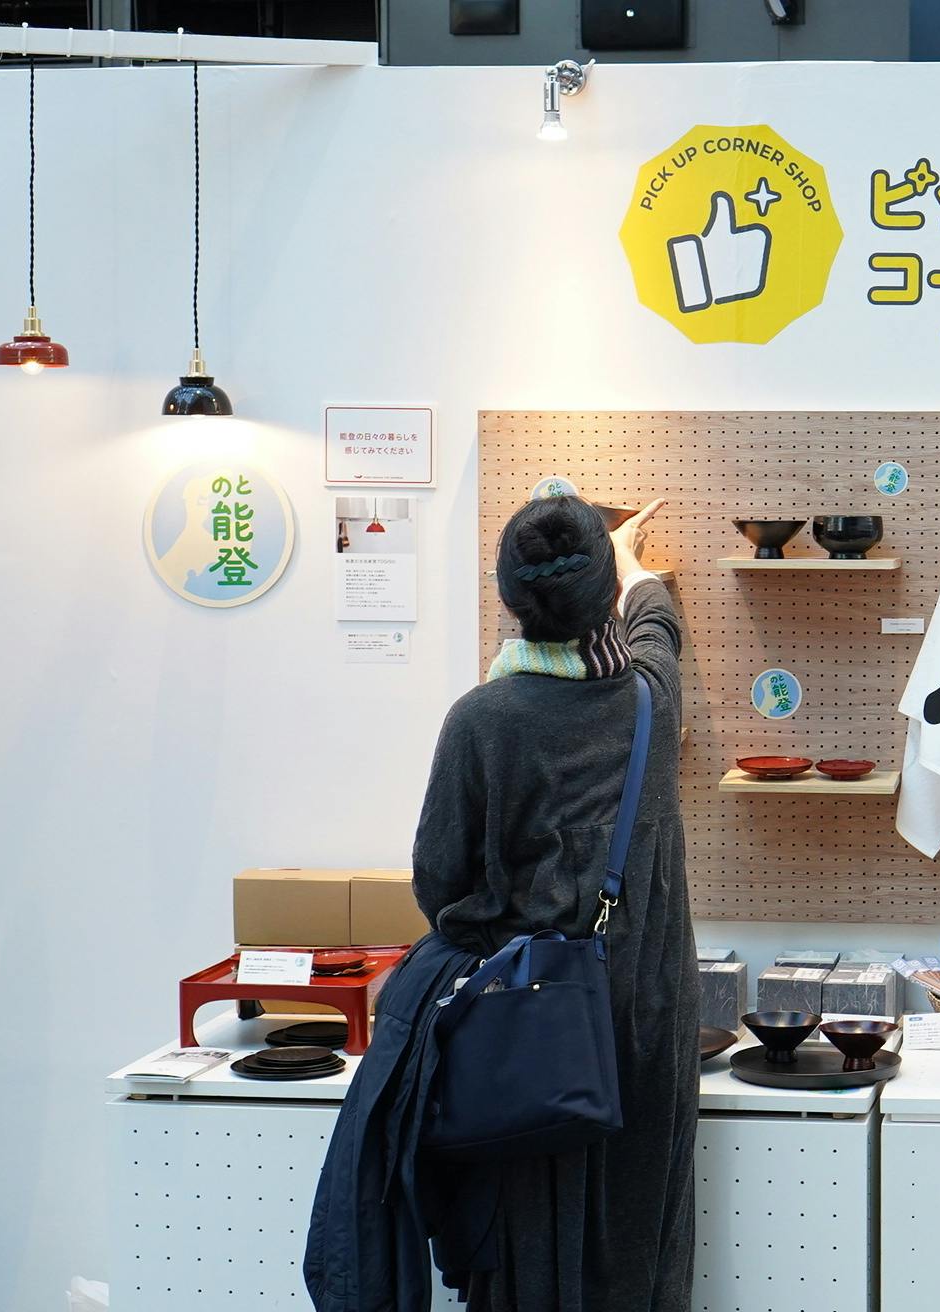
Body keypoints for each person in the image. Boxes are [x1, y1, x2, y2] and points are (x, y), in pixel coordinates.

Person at [305, 494, 696, 1312]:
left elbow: (439, 884)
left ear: (510, 599)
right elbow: (658, 630)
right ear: (602, 594)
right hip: (641, 1020)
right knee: (638, 1231)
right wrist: (634, 567)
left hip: (520, 1022)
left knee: (522, 1236)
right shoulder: (649, 707)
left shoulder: (482, 720)